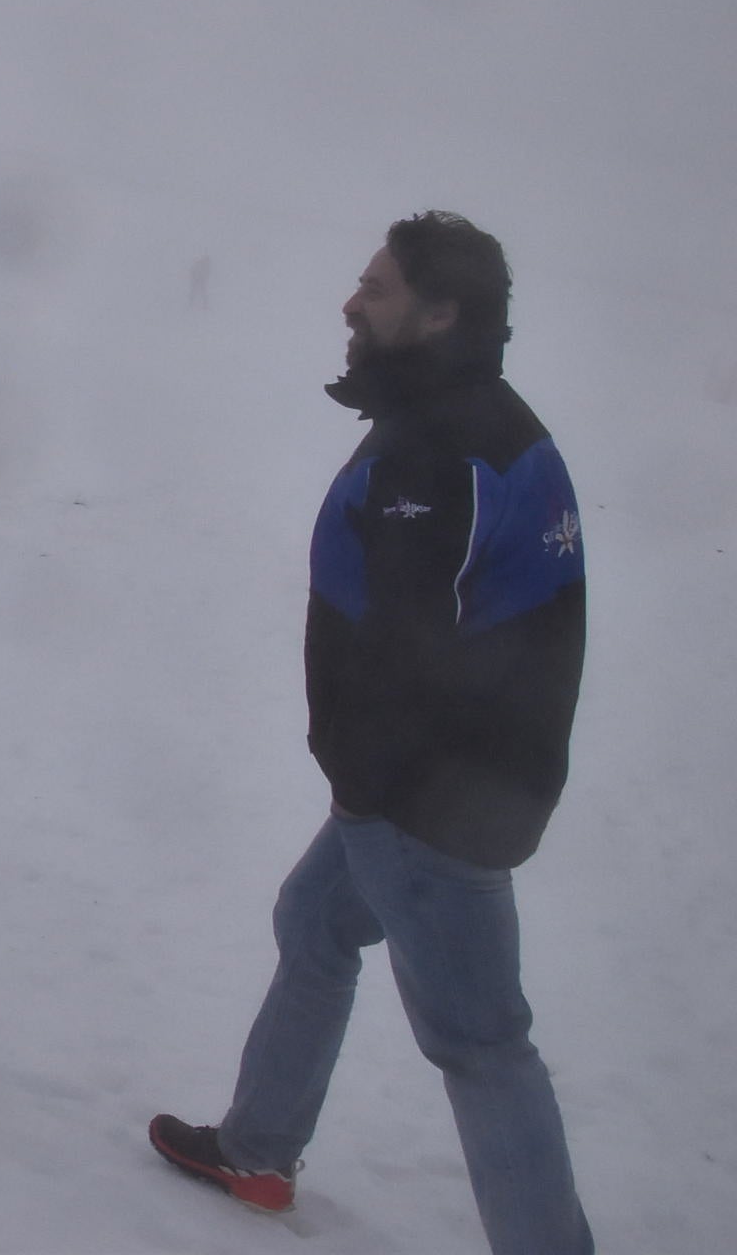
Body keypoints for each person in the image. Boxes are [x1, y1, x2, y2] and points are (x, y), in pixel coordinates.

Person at [150, 213, 592, 1254]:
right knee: (314, 922)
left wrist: (366, 781)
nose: (351, 302)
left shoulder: (436, 453)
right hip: (447, 780)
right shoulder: (475, 419)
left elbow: (411, 649)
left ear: (439, 314)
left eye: (377, 289)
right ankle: (257, 1147)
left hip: (429, 802)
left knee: (482, 1044)